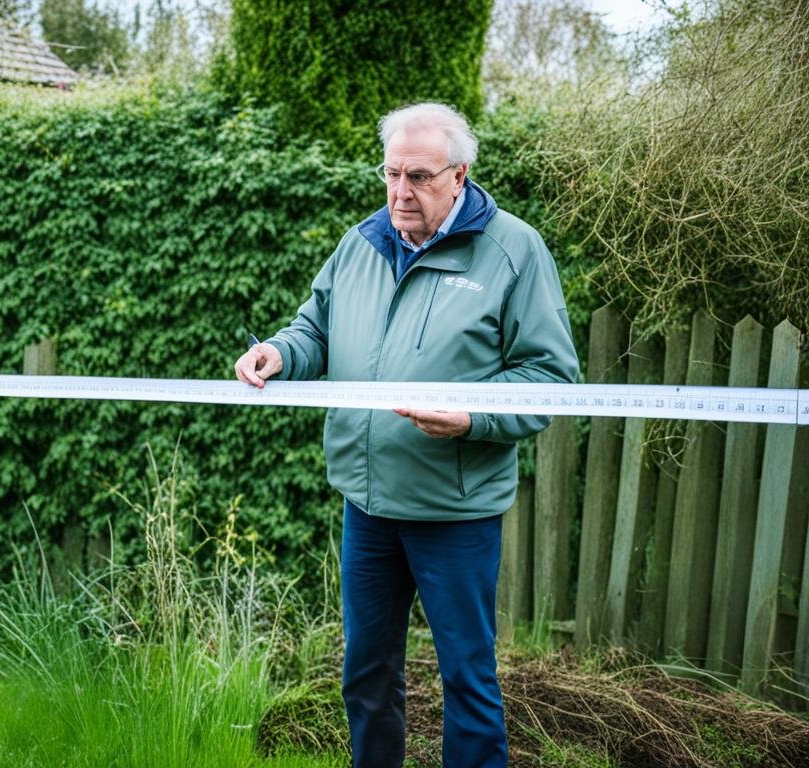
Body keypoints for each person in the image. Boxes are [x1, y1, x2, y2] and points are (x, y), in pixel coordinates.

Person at [235, 103, 578, 768]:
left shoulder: (513, 251)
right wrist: (279, 352)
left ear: (459, 175)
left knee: (467, 681)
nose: (400, 192)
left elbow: (549, 378)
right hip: (367, 505)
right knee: (365, 675)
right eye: (391, 174)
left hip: (455, 511)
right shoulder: (361, 243)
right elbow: (316, 330)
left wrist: (472, 416)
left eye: (419, 176)